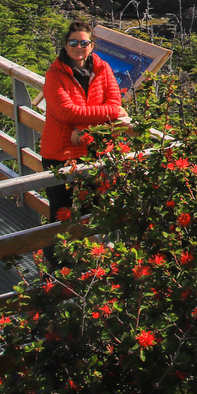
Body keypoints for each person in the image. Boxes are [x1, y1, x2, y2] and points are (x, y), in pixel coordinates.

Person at [39, 21, 131, 265]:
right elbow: (66, 112)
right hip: (60, 154)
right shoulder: (54, 75)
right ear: (65, 44)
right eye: (73, 42)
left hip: (95, 152)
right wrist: (104, 114)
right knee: (61, 214)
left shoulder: (102, 68)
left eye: (84, 43)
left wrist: (85, 125)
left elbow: (115, 102)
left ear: (92, 45)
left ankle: (93, 266)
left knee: (96, 211)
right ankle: (56, 266)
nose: (79, 47)